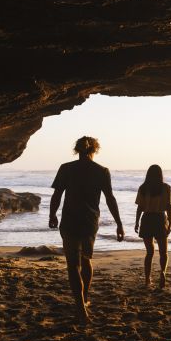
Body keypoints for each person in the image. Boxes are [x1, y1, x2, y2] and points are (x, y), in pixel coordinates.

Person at [49, 136, 124, 323]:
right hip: (90, 221)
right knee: (86, 259)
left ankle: (80, 306)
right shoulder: (101, 171)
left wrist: (52, 215)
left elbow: (57, 195)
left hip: (69, 219)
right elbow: (110, 199)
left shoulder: (66, 168)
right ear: (95, 150)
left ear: (77, 149)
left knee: (73, 264)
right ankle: (85, 298)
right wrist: (119, 223)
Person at [134, 164, 171, 289]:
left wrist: (137, 222)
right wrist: (170, 222)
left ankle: (147, 279)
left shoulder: (143, 188)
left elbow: (140, 207)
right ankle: (162, 273)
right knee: (164, 252)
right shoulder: (166, 188)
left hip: (146, 219)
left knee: (149, 252)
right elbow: (169, 207)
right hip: (160, 219)